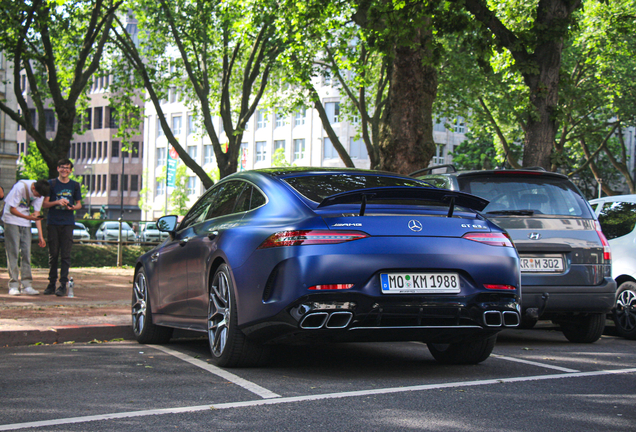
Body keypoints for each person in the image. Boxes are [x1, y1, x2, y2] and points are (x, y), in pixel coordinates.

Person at [2, 179, 50, 295]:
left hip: (25, 222)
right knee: (13, 252)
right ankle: (13, 285)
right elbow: (12, 209)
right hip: (11, 219)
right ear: (33, 189)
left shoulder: (40, 192)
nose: (39, 198)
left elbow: (37, 214)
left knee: (26, 252)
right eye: (38, 195)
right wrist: (28, 218)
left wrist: (40, 236)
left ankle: (27, 284)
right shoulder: (20, 187)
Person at [42, 159, 82, 296]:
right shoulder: (51, 184)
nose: (65, 170)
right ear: (58, 168)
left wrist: (71, 207)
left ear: (71, 170)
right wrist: (57, 202)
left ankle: (63, 285)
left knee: (65, 255)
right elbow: (45, 204)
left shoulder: (75, 185)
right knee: (53, 254)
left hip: (68, 222)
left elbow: (79, 204)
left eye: (67, 168)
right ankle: (51, 283)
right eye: (62, 167)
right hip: (53, 222)